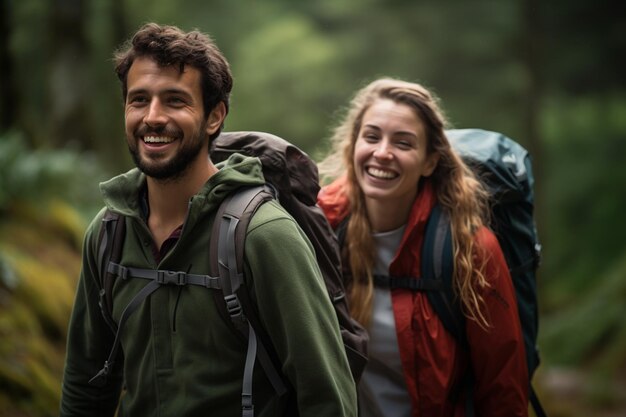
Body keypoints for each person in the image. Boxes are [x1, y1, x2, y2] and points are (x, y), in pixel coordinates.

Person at [59, 23, 357, 417]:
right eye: (138, 100)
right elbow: (85, 385)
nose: (152, 117)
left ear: (214, 116)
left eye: (175, 101)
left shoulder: (263, 235)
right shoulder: (108, 232)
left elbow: (327, 398)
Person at [317, 78, 529, 417]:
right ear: (353, 145)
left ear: (430, 162)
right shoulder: (320, 227)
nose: (382, 152)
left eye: (403, 143)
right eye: (371, 136)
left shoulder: (468, 250)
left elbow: (502, 384)